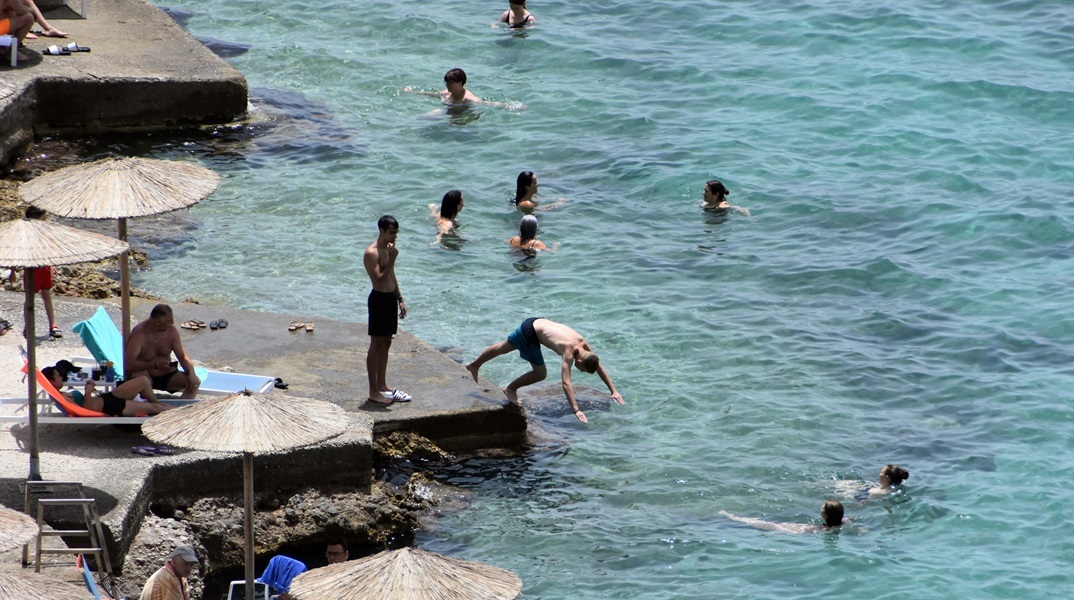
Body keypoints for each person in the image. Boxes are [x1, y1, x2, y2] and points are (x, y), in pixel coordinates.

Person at [466, 318, 624, 423]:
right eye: (582, 370)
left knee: (503, 347)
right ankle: (510, 389)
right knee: (541, 374)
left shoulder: (583, 344)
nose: (581, 372)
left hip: (532, 322)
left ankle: (474, 365)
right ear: (580, 360)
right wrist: (576, 410)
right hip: (530, 335)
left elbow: (598, 366)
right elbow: (566, 384)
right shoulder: (569, 353)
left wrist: (613, 390)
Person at [364, 215, 411, 404]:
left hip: (390, 299)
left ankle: (382, 385)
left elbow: (391, 276)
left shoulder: (389, 250)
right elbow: (378, 280)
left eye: (396, 233)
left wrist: (400, 298)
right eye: (391, 233)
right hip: (379, 300)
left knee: (387, 343)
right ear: (381, 231)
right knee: (376, 344)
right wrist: (391, 259)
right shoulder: (371, 253)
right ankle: (373, 391)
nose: (394, 237)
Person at [125, 304, 201, 399]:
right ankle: (152, 404)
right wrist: (154, 365)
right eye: (169, 321)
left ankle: (182, 409)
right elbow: (128, 364)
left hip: (167, 376)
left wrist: (192, 373)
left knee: (195, 382)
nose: (172, 323)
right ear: (159, 322)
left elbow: (182, 357)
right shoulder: (140, 334)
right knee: (138, 375)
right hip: (147, 375)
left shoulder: (172, 332)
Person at [42, 364, 172, 416]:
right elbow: (85, 413)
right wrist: (87, 392)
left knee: (143, 381)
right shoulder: (62, 398)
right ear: (52, 382)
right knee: (152, 407)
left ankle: (161, 404)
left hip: (108, 397)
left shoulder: (60, 394)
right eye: (58, 376)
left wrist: (89, 391)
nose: (61, 377)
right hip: (111, 406)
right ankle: (179, 413)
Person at [12, 207, 61, 339]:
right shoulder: (25, 234)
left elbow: (46, 248)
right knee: (29, 299)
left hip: (44, 267)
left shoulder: (42, 232)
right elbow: (15, 251)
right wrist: (12, 271)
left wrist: (51, 263)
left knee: (47, 296)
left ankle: (52, 325)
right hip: (31, 269)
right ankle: (27, 326)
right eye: (43, 219)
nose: (45, 221)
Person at [404, 68, 521, 109]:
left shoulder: (467, 98)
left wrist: (509, 106)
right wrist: (411, 92)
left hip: (461, 117)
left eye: (451, 82)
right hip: (450, 114)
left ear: (460, 83)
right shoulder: (446, 93)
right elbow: (430, 94)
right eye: (446, 82)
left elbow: (486, 103)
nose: (447, 85)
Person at [719, 499, 847, 534]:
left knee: (770, 525)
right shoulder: (841, 522)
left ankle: (732, 517)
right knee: (778, 525)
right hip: (804, 529)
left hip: (798, 532)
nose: (820, 508)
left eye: (822, 508)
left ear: (825, 515)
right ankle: (733, 518)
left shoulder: (824, 529)